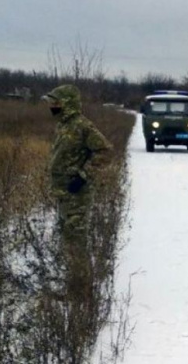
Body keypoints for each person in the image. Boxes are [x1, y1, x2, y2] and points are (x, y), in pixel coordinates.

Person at [42, 84, 112, 297]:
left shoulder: (82, 126)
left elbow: (104, 152)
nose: (52, 106)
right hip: (64, 194)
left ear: (67, 103)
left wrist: (83, 176)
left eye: (56, 102)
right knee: (68, 239)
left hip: (77, 195)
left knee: (76, 241)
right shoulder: (64, 125)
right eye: (51, 102)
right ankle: (75, 286)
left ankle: (81, 293)